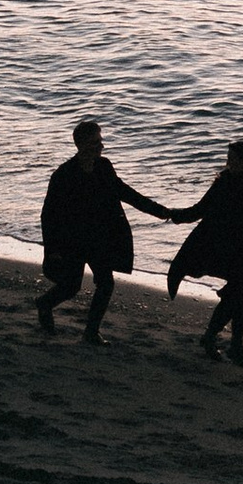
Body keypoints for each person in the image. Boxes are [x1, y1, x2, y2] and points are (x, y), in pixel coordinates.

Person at [35, 121, 177, 342]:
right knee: (71, 287)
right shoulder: (64, 175)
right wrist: (52, 249)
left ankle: (91, 332)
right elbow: (49, 215)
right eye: (95, 142)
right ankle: (45, 304)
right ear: (81, 144)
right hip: (72, 239)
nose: (101, 146)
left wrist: (158, 211)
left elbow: (125, 192)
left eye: (100, 141)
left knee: (106, 283)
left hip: (99, 237)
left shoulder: (104, 166)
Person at [165, 139, 243, 363]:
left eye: (234, 160)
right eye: (228, 159)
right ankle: (226, 342)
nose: (230, 164)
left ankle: (224, 341)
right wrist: (175, 215)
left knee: (241, 294)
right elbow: (201, 208)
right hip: (226, 248)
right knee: (239, 293)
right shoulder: (225, 181)